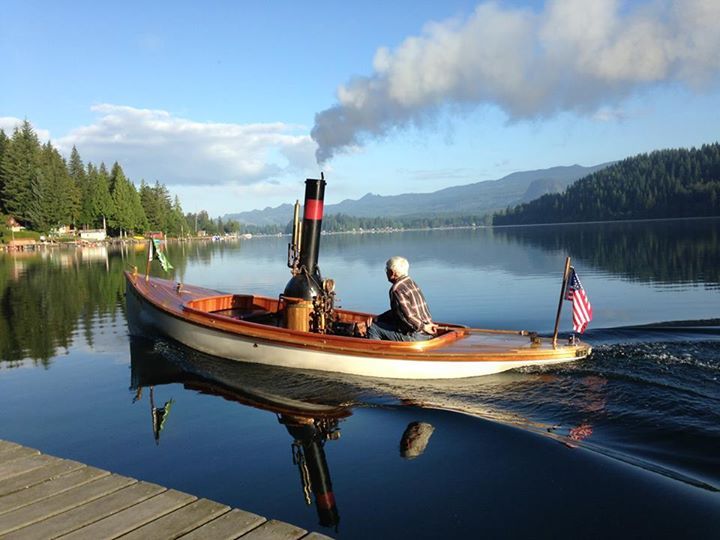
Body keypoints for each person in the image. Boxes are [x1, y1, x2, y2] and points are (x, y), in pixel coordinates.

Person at [366, 256, 438, 341]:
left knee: (373, 328)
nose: (386, 272)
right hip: (430, 331)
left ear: (392, 272)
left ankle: (378, 352)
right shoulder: (411, 282)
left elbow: (409, 316)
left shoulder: (396, 289)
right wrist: (377, 319)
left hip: (416, 335)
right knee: (381, 323)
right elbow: (398, 311)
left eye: (386, 270)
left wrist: (424, 327)